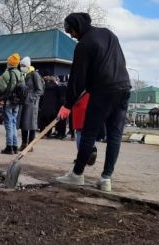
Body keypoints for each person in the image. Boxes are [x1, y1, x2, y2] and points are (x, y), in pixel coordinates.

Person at [56, 13, 131, 192]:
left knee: (88, 133)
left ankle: (77, 174)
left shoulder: (84, 45)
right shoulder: (109, 34)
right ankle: (106, 179)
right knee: (114, 135)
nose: (71, 35)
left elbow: (77, 78)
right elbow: (119, 61)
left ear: (77, 27)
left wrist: (68, 104)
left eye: (70, 31)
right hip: (124, 88)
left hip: (104, 92)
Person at [0, 53, 24, 154]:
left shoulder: (6, 74)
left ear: (10, 63)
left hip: (8, 101)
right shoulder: (20, 74)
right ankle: (15, 146)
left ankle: (9, 147)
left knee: (8, 124)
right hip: (17, 102)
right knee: (14, 123)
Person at [17, 57, 44, 151]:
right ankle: (24, 143)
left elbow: (40, 90)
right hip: (24, 102)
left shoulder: (34, 74)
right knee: (23, 123)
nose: (22, 67)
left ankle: (30, 145)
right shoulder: (23, 74)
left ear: (28, 65)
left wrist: (32, 97)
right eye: (21, 66)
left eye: (23, 65)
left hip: (32, 103)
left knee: (31, 124)